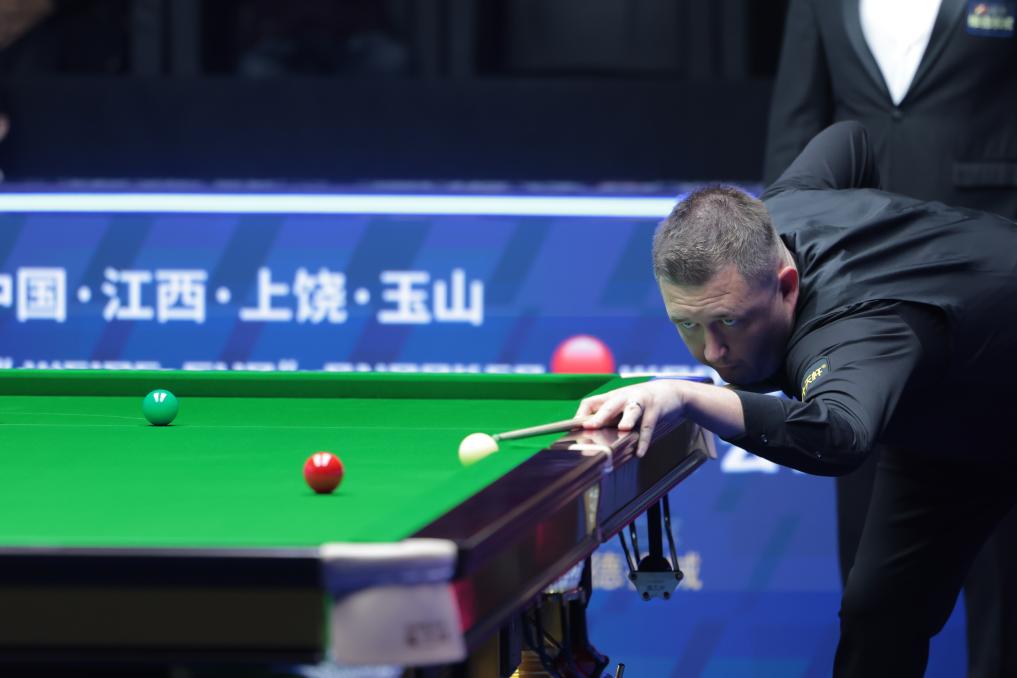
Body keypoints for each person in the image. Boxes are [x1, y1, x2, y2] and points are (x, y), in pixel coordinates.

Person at [579, 121, 1017, 677]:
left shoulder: (851, 335)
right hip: (948, 418)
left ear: (786, 286)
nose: (712, 352)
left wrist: (689, 398)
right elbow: (850, 138)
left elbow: (837, 436)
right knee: (879, 616)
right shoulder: (778, 211)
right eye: (687, 324)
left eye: (729, 321)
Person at [764, 3, 1017, 674]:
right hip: (859, 297)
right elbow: (798, 125)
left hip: (993, 287)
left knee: (1006, 564)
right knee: (876, 583)